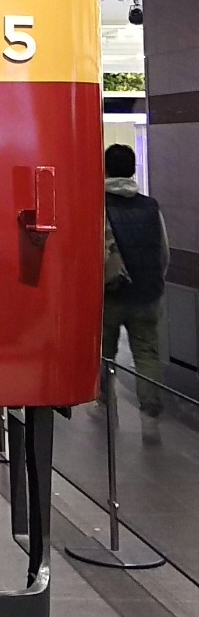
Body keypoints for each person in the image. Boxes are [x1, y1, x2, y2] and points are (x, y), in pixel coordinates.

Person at [101, 144, 169, 441]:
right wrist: (153, 281)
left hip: (110, 294)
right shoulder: (150, 206)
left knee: (104, 353)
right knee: (147, 353)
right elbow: (163, 252)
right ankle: (150, 413)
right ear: (132, 170)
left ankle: (103, 402)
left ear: (105, 168)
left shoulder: (98, 205)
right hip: (146, 294)